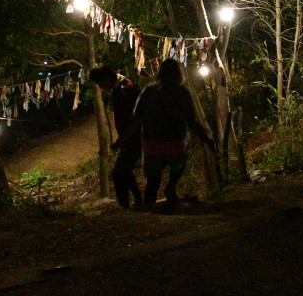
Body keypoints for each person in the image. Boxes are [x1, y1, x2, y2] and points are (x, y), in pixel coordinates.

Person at [121, 58, 215, 213]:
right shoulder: (182, 93)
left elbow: (136, 118)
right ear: (179, 74)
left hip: (151, 144)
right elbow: (191, 121)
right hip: (175, 144)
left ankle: (149, 207)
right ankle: (172, 183)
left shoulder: (148, 91)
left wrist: (121, 140)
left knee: (153, 179)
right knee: (179, 162)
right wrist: (207, 139)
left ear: (161, 73)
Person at [89, 64, 143, 209]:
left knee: (118, 173)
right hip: (130, 137)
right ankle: (138, 201)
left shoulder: (124, 90)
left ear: (106, 78)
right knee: (124, 170)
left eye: (100, 83)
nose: (100, 87)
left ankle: (126, 206)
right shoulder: (121, 85)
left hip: (135, 137)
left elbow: (135, 119)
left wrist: (120, 140)